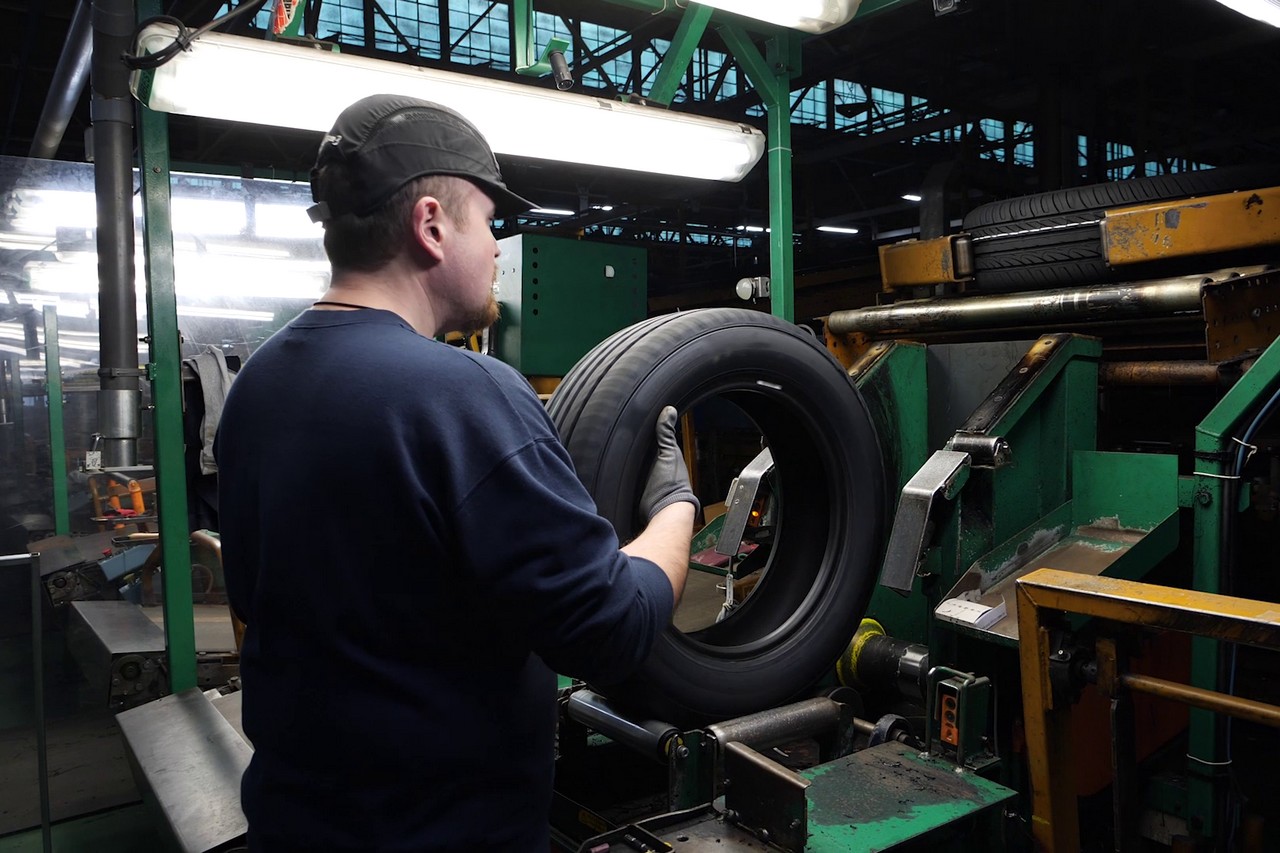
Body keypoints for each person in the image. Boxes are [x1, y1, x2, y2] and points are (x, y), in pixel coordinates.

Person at [214, 94, 697, 851]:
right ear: (432, 225)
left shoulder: (259, 385)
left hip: (293, 826)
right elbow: (610, 631)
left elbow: (265, 597)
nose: (500, 245)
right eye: (488, 219)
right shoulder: (461, 393)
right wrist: (675, 507)